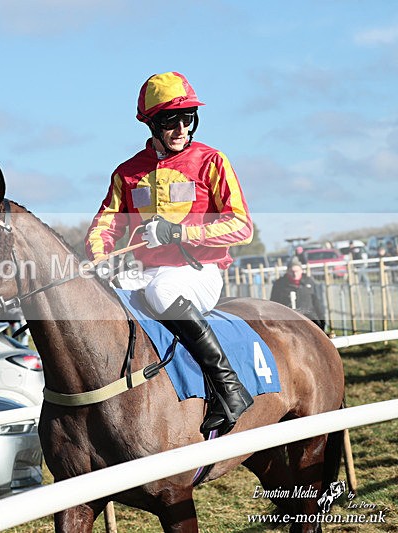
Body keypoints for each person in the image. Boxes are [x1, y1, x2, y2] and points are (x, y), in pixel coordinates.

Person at [85, 71, 254, 436]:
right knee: (105, 300)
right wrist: (100, 258)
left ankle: (229, 388)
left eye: (187, 118)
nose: (181, 128)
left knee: (161, 293)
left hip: (199, 270)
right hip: (145, 272)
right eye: (169, 120)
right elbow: (105, 224)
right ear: (150, 123)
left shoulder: (212, 161)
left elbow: (241, 225)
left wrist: (181, 232)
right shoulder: (127, 173)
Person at [270, 258, 326, 330]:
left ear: (301, 271)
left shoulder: (309, 282)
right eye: (292, 271)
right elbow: (274, 304)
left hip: (309, 320)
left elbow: (317, 303)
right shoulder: (280, 284)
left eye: (297, 271)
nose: (295, 274)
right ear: (287, 271)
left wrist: (322, 320)